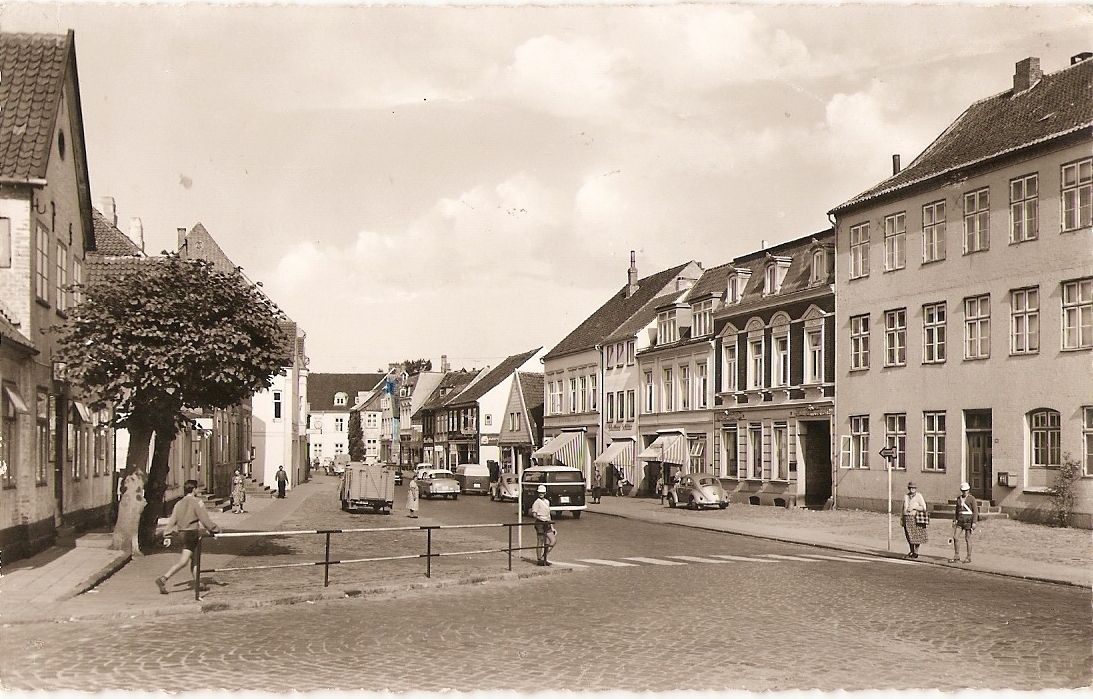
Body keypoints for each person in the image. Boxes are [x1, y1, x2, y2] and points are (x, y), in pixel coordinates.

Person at [156, 479, 221, 595]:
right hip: (191, 534)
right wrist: (215, 529)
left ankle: (198, 584)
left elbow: (172, 521)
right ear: (194, 489)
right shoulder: (197, 502)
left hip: (181, 534)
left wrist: (167, 535)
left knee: (195, 559)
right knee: (184, 561)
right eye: (197, 488)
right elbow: (205, 521)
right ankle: (163, 578)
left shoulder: (178, 503)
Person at [949, 482, 980, 563]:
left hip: (968, 521)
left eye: (966, 490)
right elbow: (957, 510)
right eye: (963, 490)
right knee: (955, 537)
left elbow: (975, 511)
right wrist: (954, 519)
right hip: (960, 520)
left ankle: (968, 557)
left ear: (968, 490)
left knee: (968, 538)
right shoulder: (959, 499)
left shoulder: (972, 499)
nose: (964, 492)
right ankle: (957, 555)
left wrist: (974, 522)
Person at [901, 481, 929, 559]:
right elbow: (902, 508)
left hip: (915, 518)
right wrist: (902, 518)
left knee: (917, 536)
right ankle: (911, 551)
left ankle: (916, 552)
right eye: (910, 488)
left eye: (913, 488)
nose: (912, 489)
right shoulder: (906, 496)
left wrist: (914, 507)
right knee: (909, 535)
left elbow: (924, 507)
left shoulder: (919, 496)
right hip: (907, 517)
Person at [530, 484, 554, 566]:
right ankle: (539, 559)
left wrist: (552, 527)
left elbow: (549, 514)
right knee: (540, 541)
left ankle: (545, 556)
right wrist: (541, 518)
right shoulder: (537, 502)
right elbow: (534, 514)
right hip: (540, 523)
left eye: (543, 493)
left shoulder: (547, 502)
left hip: (547, 522)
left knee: (553, 540)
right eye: (540, 493)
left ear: (545, 493)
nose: (541, 494)